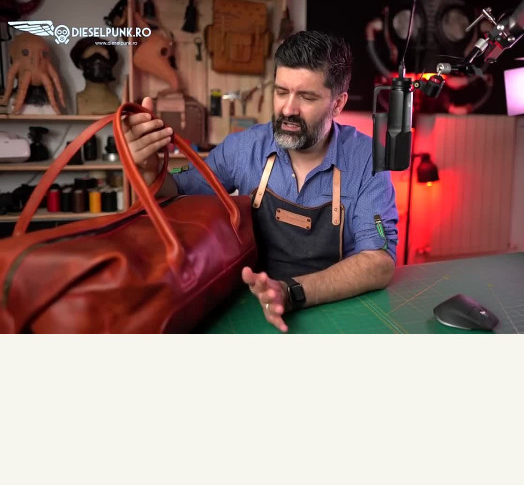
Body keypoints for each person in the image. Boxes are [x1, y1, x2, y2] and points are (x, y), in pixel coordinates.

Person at [123, 30, 398, 332]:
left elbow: (378, 261)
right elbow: (176, 193)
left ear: (338, 103)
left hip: (337, 308)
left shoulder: (367, 159)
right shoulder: (244, 148)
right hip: (251, 303)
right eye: (281, 92)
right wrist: (148, 166)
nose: (288, 109)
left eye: (306, 97)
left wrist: (291, 292)